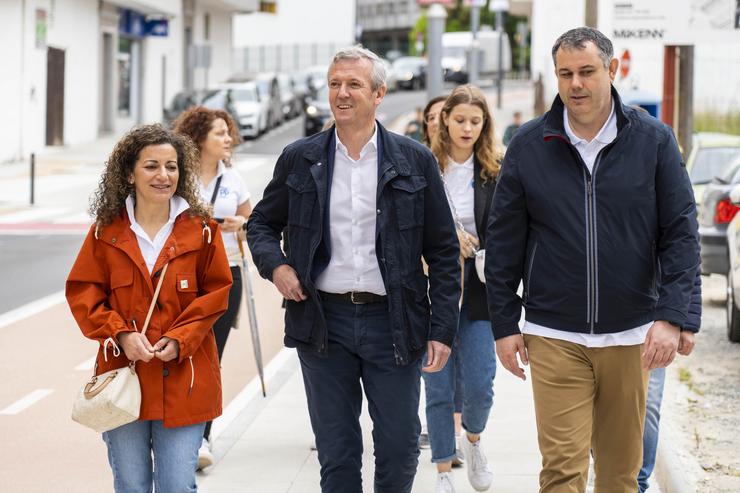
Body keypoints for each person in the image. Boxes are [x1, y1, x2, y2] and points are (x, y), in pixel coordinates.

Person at [485, 27, 699, 492]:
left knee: (621, 474)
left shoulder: (653, 141)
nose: (575, 84)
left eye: (586, 72)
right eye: (565, 74)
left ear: (612, 70)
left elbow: (681, 232)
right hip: (553, 333)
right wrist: (503, 324)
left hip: (631, 334)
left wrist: (674, 316)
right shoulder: (528, 145)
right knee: (562, 470)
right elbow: (503, 244)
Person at [247, 45, 461, 493]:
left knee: (400, 447)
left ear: (379, 93)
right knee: (338, 453)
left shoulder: (413, 160)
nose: (341, 94)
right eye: (334, 84)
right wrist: (278, 268)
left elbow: (443, 251)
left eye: (354, 84)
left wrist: (441, 329)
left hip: (394, 322)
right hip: (324, 322)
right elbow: (262, 224)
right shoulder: (300, 158)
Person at [66, 124, 233, 492]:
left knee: (176, 485)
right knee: (131, 485)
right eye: (152, 166)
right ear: (129, 172)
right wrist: (120, 333)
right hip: (124, 380)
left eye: (172, 167)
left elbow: (217, 293)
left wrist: (180, 339)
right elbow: (84, 292)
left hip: (186, 379)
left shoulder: (203, 230)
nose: (164, 176)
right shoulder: (104, 233)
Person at [426, 84, 500, 493]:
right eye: (460, 120)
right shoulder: (425, 166)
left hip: (479, 288)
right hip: (434, 286)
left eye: (475, 121)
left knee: (480, 385)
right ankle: (442, 471)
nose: (467, 128)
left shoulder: (494, 169)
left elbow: (506, 229)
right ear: (445, 121)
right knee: (436, 384)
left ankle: (472, 441)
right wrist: (446, 237)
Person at [172, 107, 252, 468]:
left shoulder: (234, 179)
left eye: (228, 133)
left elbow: (254, 220)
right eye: (219, 133)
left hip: (226, 274)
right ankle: (174, 433)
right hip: (181, 279)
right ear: (199, 137)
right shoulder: (177, 175)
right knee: (178, 356)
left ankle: (201, 438)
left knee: (210, 358)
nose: (227, 139)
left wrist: (240, 223)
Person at [418, 94, 466, 465]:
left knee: (472, 376)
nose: (438, 124)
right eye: (432, 118)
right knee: (436, 376)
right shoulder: (418, 162)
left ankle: (462, 429)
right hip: (425, 285)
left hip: (474, 286)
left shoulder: (485, 169)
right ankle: (445, 453)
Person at [638, 267, 701, 492]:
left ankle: (638, 484)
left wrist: (687, 322)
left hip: (653, 324)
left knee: (647, 407)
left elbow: (687, 259)